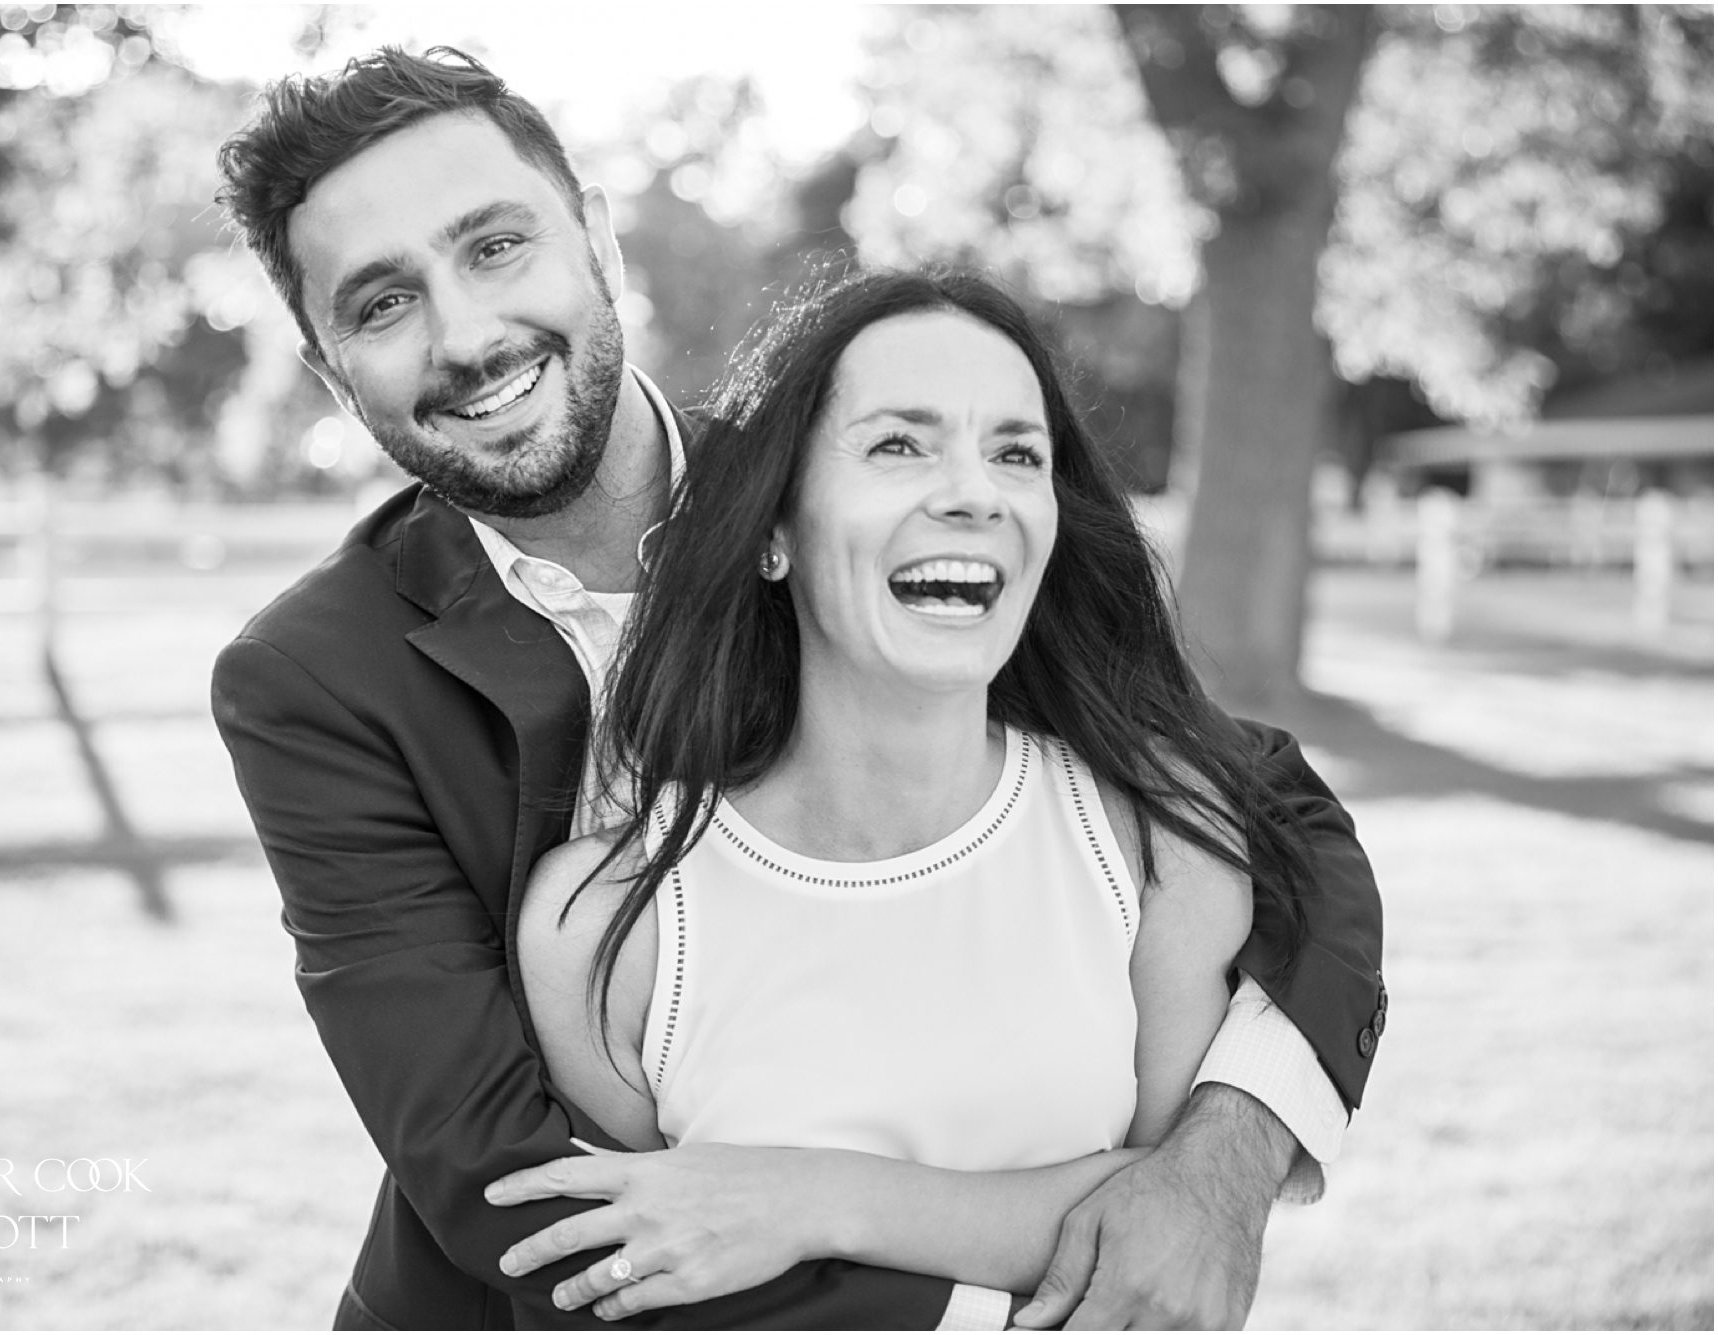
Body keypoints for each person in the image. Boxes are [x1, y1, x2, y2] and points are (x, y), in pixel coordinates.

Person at [211, 44, 1387, 1331]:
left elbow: (1272, 816)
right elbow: (519, 1193)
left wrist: (1213, 1173)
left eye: (495, 246)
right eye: (381, 304)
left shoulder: (851, 493)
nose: (468, 335)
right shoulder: (310, 681)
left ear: (596, 240)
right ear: (330, 373)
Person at [494, 267, 1321, 1329]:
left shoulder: (1156, 844)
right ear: (772, 531)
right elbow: (650, 1274)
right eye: (899, 444)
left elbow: (1168, 1227)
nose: (975, 492)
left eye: (1016, 454)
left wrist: (809, 1198)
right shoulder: (607, 925)